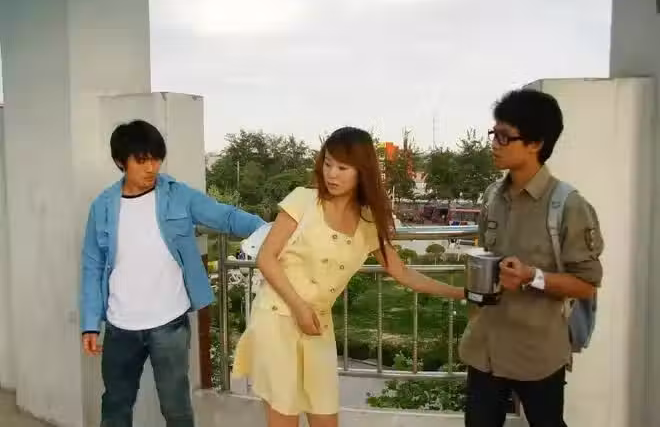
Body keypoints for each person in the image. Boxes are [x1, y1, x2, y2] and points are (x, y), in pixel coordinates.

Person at [232, 126, 465, 427]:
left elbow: (402, 272)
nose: (332, 174)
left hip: (318, 324)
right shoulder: (303, 201)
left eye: (343, 167)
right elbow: (266, 257)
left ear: (362, 171)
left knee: (325, 415)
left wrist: (463, 292)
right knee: (284, 417)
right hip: (277, 316)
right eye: (328, 163)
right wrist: (299, 307)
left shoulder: (368, 223)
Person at [79, 120, 265, 427]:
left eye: (156, 159)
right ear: (120, 161)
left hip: (169, 324)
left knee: (176, 408)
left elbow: (225, 216)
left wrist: (270, 229)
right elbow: (92, 265)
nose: (151, 168)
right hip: (120, 326)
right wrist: (89, 323)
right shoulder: (102, 207)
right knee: (115, 406)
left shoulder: (178, 195)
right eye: (142, 160)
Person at [459, 90, 604, 427]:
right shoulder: (492, 196)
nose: (494, 144)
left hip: (537, 354)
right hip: (485, 347)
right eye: (493, 133)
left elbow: (586, 285)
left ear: (535, 143)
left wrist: (532, 276)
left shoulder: (568, 206)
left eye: (504, 136)